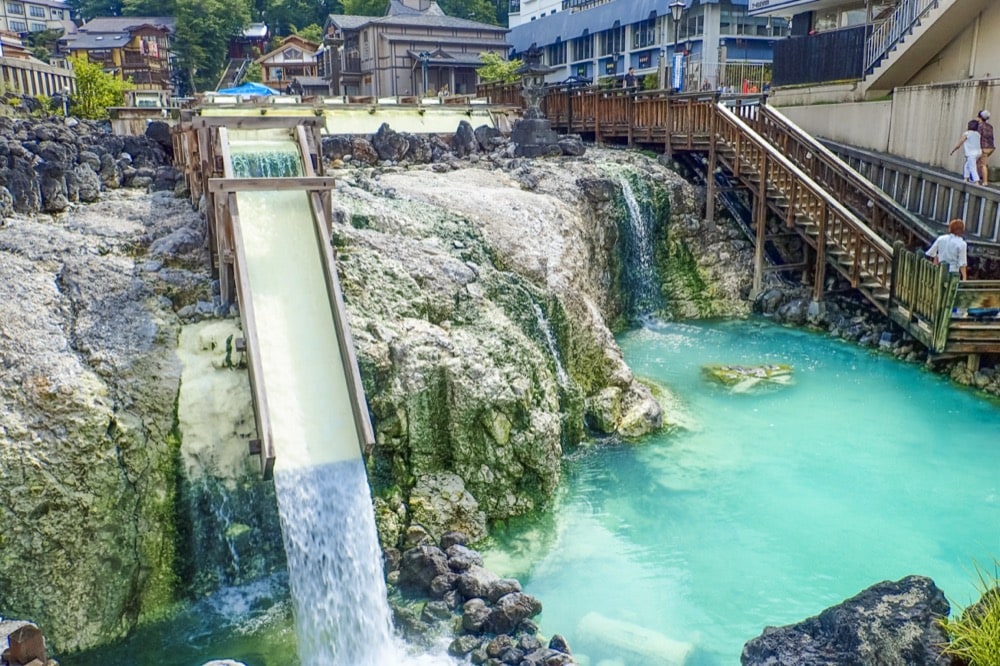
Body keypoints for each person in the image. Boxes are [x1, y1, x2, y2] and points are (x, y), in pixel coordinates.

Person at [950, 118, 982, 183]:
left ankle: (976, 181)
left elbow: (960, 143)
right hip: (978, 152)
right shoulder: (978, 134)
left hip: (971, 153)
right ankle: (966, 178)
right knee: (967, 165)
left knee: (972, 167)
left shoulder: (967, 133)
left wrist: (953, 150)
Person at [977, 109, 994, 186]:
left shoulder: (979, 126)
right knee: (978, 162)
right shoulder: (990, 126)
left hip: (984, 147)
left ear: (980, 117)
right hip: (991, 147)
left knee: (983, 164)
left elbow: (978, 137)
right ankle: (976, 178)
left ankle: (985, 182)